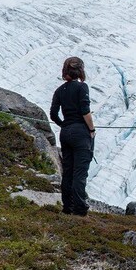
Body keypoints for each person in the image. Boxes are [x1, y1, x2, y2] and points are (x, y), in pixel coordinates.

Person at [50, 57, 95, 217]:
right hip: (81, 133)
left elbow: (53, 114)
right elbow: (85, 111)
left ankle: (67, 206)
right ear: (80, 71)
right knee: (80, 173)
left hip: (66, 132)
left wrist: (64, 125)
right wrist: (91, 129)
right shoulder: (82, 87)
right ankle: (80, 209)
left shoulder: (60, 90)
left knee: (68, 171)